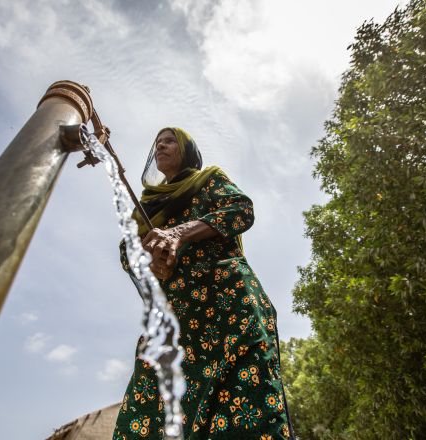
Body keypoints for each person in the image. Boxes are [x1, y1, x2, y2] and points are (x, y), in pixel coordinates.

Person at [114, 127, 294, 439]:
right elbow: (127, 253)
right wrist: (151, 262)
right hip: (175, 319)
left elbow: (240, 210)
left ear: (186, 150)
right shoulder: (145, 208)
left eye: (169, 140)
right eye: (157, 142)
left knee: (244, 406)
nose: (161, 146)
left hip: (227, 304)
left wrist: (178, 233)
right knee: (149, 415)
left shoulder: (208, 179)